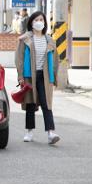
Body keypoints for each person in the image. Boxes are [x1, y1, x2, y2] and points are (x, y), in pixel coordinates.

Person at [15, 11, 60, 144]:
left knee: (47, 104)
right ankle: (29, 132)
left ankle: (51, 133)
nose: (39, 22)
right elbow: (19, 58)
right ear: (31, 22)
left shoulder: (50, 40)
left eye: (41, 19)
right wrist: (20, 75)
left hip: (45, 76)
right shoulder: (25, 39)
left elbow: (55, 60)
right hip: (30, 76)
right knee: (30, 104)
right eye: (36, 20)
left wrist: (55, 77)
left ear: (45, 23)